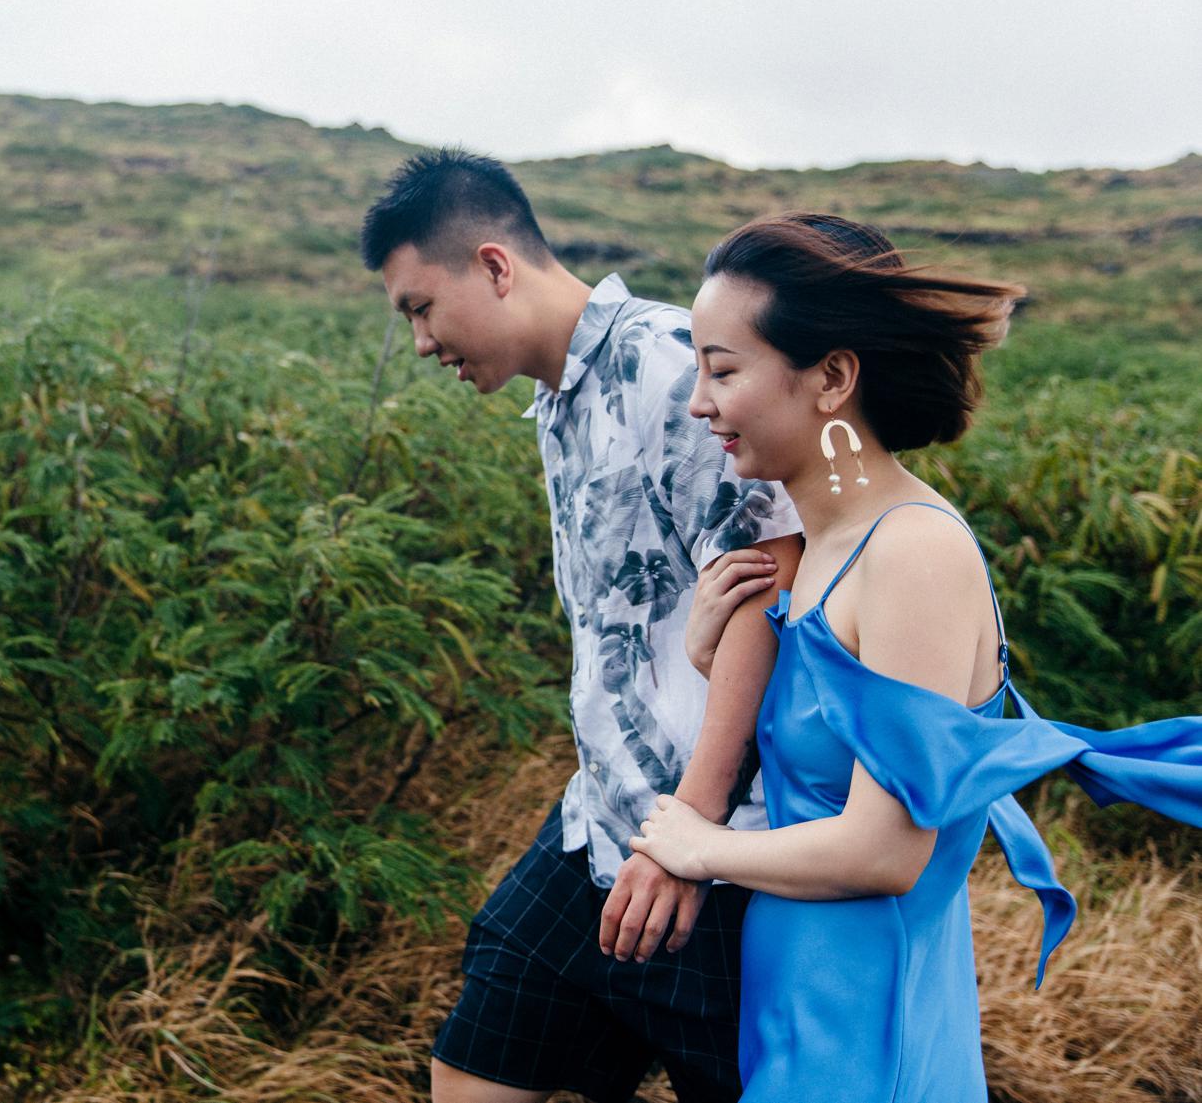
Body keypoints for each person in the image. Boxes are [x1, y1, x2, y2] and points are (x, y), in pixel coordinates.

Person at [629, 212, 1202, 1101]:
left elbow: (886, 847)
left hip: (868, 1025)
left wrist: (701, 846)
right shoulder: (822, 541)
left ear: (831, 379)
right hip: (800, 1005)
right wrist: (713, 658)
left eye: (723, 369)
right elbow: (833, 738)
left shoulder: (911, 552)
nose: (699, 402)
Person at [358, 149, 806, 1103]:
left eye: (419, 309)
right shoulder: (559, 400)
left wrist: (691, 829)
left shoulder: (670, 368)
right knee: (473, 1068)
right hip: (600, 825)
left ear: (492, 264)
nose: (422, 343)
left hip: (718, 858)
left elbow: (772, 586)